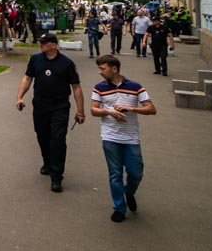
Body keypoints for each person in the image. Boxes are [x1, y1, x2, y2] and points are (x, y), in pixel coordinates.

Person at [89, 55, 156, 222]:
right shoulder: (99, 88)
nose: (100, 72)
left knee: (136, 173)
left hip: (131, 138)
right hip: (110, 137)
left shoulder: (135, 87)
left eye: (103, 69)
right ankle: (119, 207)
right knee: (115, 174)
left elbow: (151, 109)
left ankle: (129, 192)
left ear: (114, 68)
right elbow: (93, 110)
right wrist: (109, 111)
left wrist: (130, 108)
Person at [15, 33, 85, 193]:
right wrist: (19, 97)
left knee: (58, 139)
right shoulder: (36, 60)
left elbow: (76, 87)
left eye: (44, 43)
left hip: (59, 106)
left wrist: (80, 111)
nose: (41, 45)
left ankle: (56, 176)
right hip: (40, 104)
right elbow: (27, 78)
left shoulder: (66, 63)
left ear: (54, 45)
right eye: (41, 43)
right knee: (42, 135)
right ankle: (47, 161)